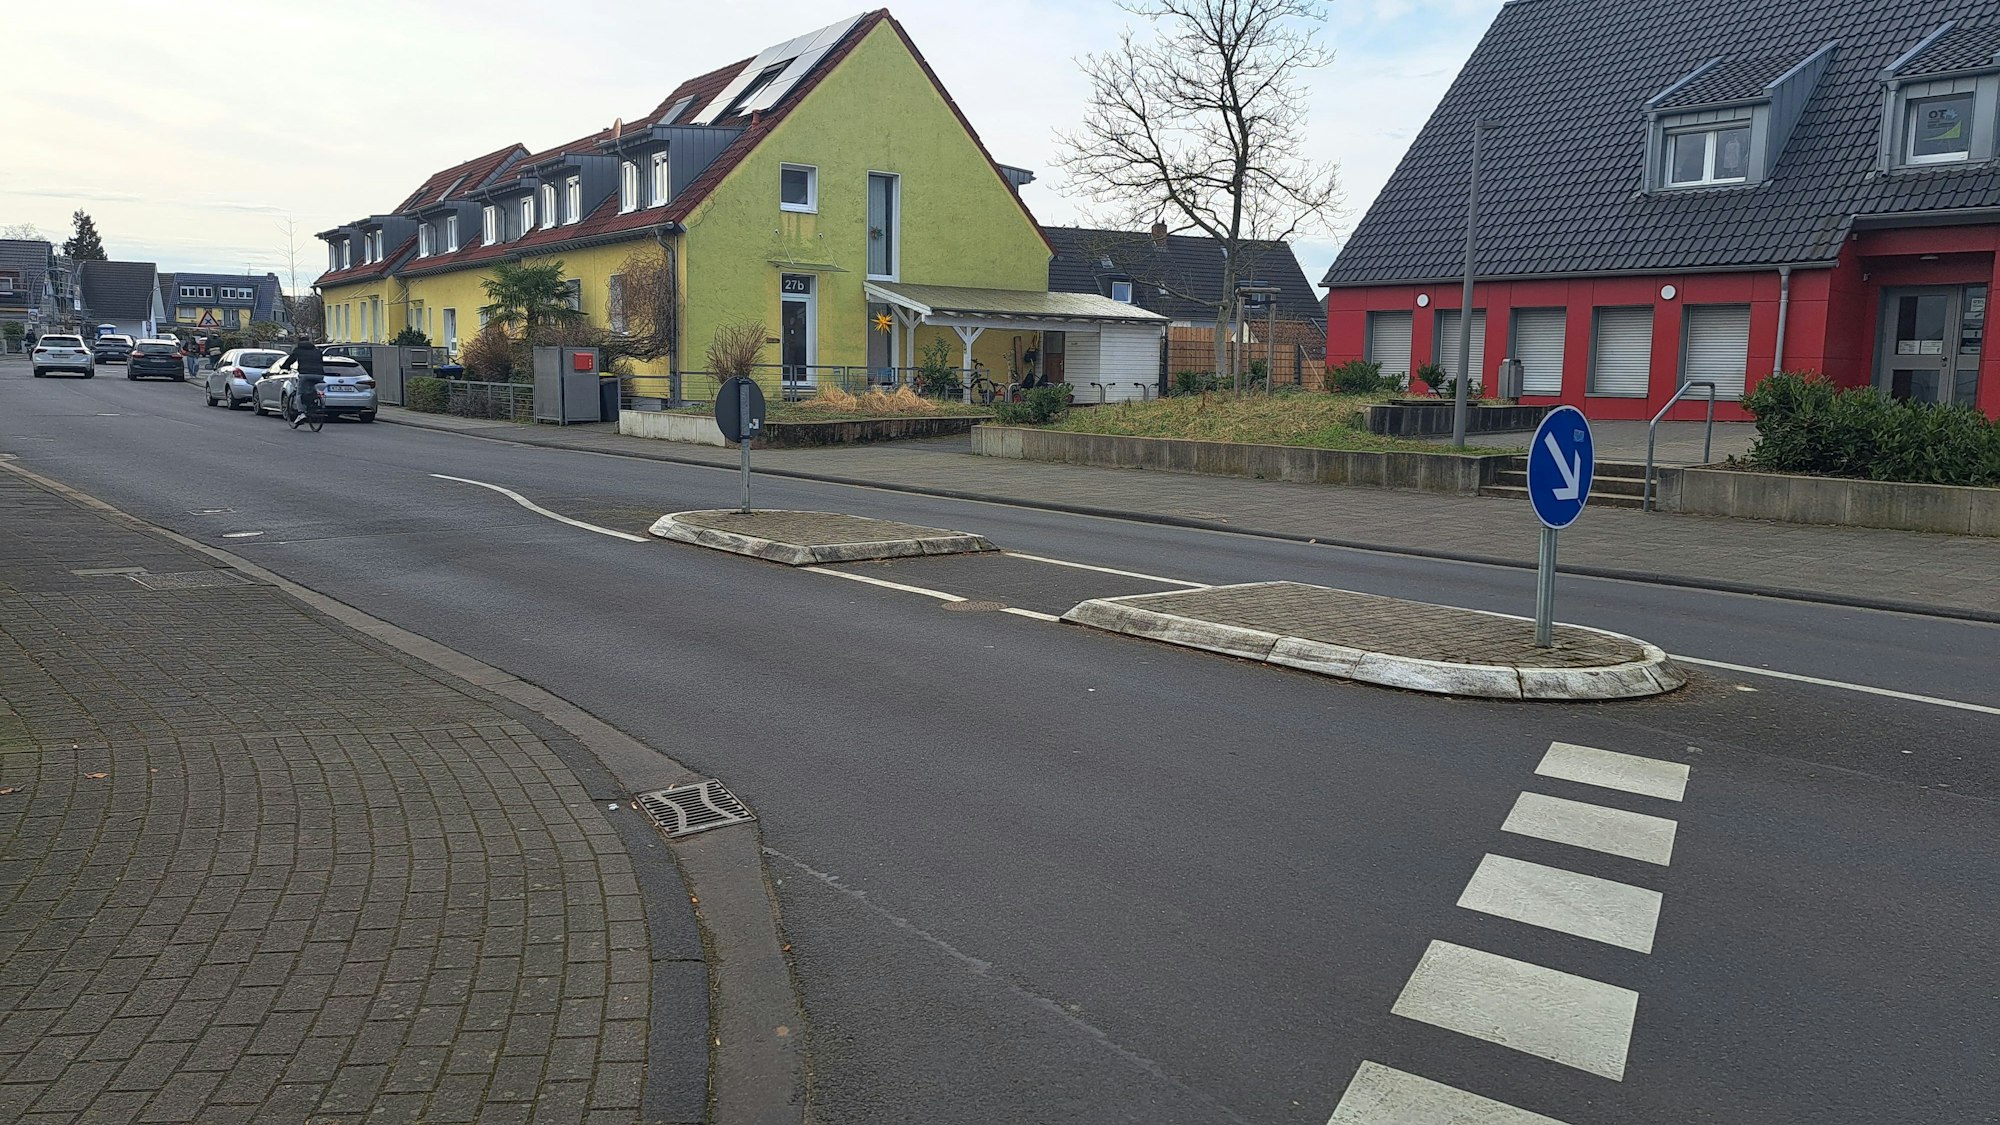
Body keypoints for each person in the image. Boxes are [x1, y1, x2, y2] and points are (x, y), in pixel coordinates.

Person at [282, 336, 326, 429]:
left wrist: (284, 366)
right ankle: (315, 401)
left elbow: (290, 360)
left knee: (299, 393)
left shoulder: (298, 350)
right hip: (319, 374)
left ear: (299, 341)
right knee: (312, 387)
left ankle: (301, 413)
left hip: (305, 374)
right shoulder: (316, 350)